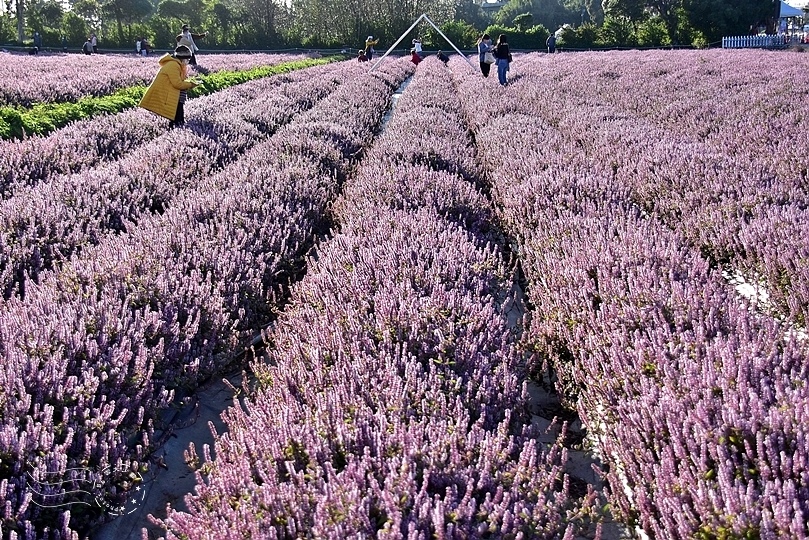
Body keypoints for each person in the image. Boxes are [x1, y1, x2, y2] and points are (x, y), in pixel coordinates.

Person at [138, 45, 201, 129]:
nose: (188, 61)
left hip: (173, 95)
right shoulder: (173, 65)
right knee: (177, 120)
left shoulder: (179, 66)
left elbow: (179, 81)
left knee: (177, 119)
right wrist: (191, 84)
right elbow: (177, 84)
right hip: (168, 95)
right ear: (182, 58)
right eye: (187, 59)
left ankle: (176, 132)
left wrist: (190, 83)